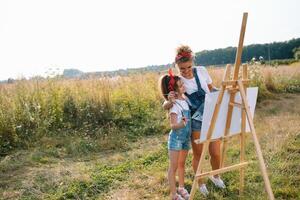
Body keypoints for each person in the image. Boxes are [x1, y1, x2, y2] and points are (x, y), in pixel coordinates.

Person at [163, 45, 226, 196]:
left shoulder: (202, 71)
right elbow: (166, 103)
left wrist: (224, 92)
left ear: (193, 61)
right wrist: (169, 102)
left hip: (211, 115)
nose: (186, 71)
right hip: (196, 120)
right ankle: (201, 182)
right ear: (177, 66)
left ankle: (215, 176)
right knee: (198, 154)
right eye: (182, 68)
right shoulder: (177, 81)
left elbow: (211, 89)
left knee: (216, 153)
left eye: (189, 67)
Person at [159, 72, 191, 200]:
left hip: (185, 139)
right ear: (174, 91)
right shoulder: (174, 106)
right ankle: (174, 194)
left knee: (182, 163)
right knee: (174, 166)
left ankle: (181, 187)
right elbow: (172, 125)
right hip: (176, 140)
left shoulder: (185, 100)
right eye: (181, 85)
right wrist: (182, 124)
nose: (184, 86)